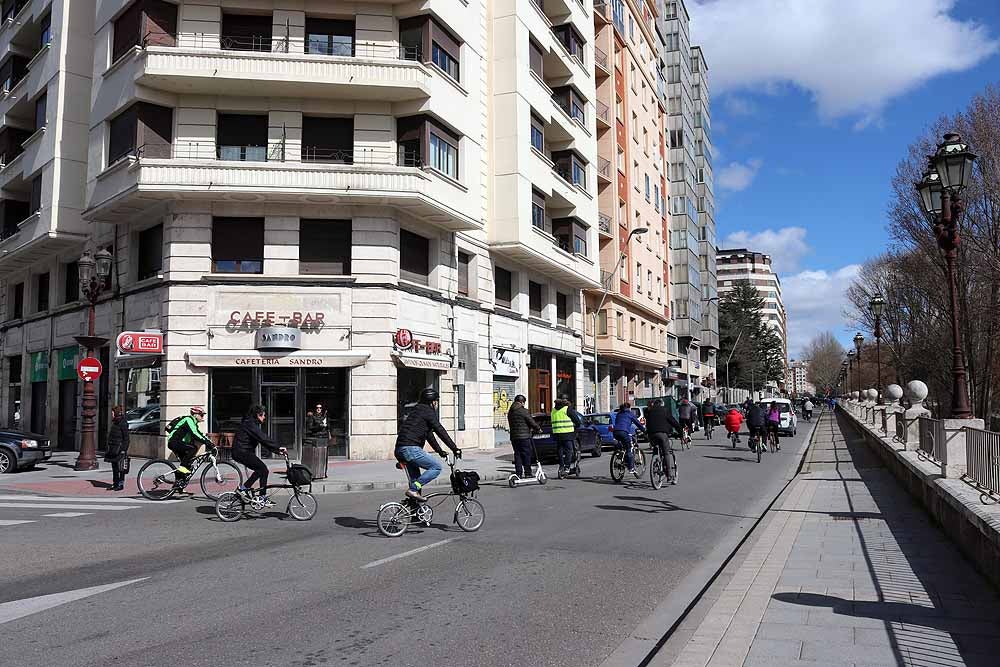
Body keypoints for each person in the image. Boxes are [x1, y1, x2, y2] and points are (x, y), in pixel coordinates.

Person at [396, 388, 461, 501]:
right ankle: (413, 490)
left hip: (400, 449)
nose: (436, 404)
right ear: (432, 401)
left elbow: (429, 435)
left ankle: (414, 514)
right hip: (411, 449)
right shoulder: (428, 412)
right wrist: (455, 448)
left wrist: (440, 451)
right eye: (436, 401)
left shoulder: (417, 411)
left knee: (415, 480)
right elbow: (440, 430)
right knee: (435, 467)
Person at [232, 405, 286, 506]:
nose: (264, 417)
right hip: (241, 452)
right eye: (263, 415)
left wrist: (277, 450)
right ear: (258, 415)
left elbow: (262, 441)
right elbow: (263, 438)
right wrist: (278, 447)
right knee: (262, 469)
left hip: (243, 451)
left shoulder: (251, 423)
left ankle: (255, 494)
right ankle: (246, 490)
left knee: (262, 470)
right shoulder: (250, 424)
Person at [166, 406, 214, 477]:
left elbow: (199, 434)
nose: (202, 417)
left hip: (178, 443)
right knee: (193, 448)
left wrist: (209, 442)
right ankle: (182, 467)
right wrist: (207, 443)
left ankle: (178, 486)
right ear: (195, 415)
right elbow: (195, 433)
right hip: (174, 442)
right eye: (201, 415)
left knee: (187, 467)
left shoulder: (193, 423)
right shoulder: (188, 420)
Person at [645, 398, 682, 484]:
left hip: (651, 435)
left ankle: (655, 461)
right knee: (666, 453)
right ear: (662, 404)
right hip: (662, 434)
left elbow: (648, 423)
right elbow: (674, 422)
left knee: (655, 447)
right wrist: (680, 433)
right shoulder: (665, 410)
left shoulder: (649, 411)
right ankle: (669, 476)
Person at [507, 394, 541, 479]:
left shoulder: (510, 411)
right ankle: (528, 473)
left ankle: (518, 473)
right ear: (522, 402)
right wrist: (538, 428)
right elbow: (531, 421)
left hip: (514, 437)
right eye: (523, 403)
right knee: (526, 454)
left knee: (517, 455)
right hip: (524, 437)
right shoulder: (523, 411)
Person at [612, 402, 646, 477]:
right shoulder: (630, 414)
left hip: (615, 432)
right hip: (623, 432)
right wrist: (644, 431)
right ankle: (631, 468)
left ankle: (620, 458)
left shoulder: (619, 414)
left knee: (622, 447)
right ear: (629, 408)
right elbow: (638, 423)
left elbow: (620, 423)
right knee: (629, 448)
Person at [551, 397, 579, 476]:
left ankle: (561, 466)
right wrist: (577, 426)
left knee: (560, 450)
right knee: (569, 450)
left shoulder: (553, 410)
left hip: (557, 433)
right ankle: (567, 467)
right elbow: (577, 420)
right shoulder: (567, 409)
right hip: (567, 433)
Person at [105, 405, 130, 491]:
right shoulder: (115, 422)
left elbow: (126, 438)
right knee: (114, 467)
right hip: (114, 448)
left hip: (120, 449)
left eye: (112, 413)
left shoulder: (123, 423)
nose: (111, 414)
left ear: (115, 413)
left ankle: (120, 484)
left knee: (121, 467)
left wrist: (124, 450)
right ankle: (115, 483)